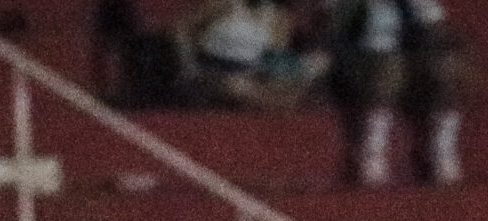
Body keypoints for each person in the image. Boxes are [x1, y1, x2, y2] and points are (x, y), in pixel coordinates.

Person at [334, 0, 465, 187]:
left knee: (445, 70)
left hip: (404, 59)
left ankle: (442, 150)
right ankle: (373, 152)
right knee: (389, 70)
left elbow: (436, 25)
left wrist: (441, 56)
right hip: (360, 60)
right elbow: (373, 41)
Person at [181, 0, 327, 110]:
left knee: (304, 77)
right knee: (237, 87)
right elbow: (183, 31)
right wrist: (189, 64)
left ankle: (270, 107)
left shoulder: (276, 16)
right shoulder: (224, 3)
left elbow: (273, 61)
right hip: (212, 72)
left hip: (252, 76)